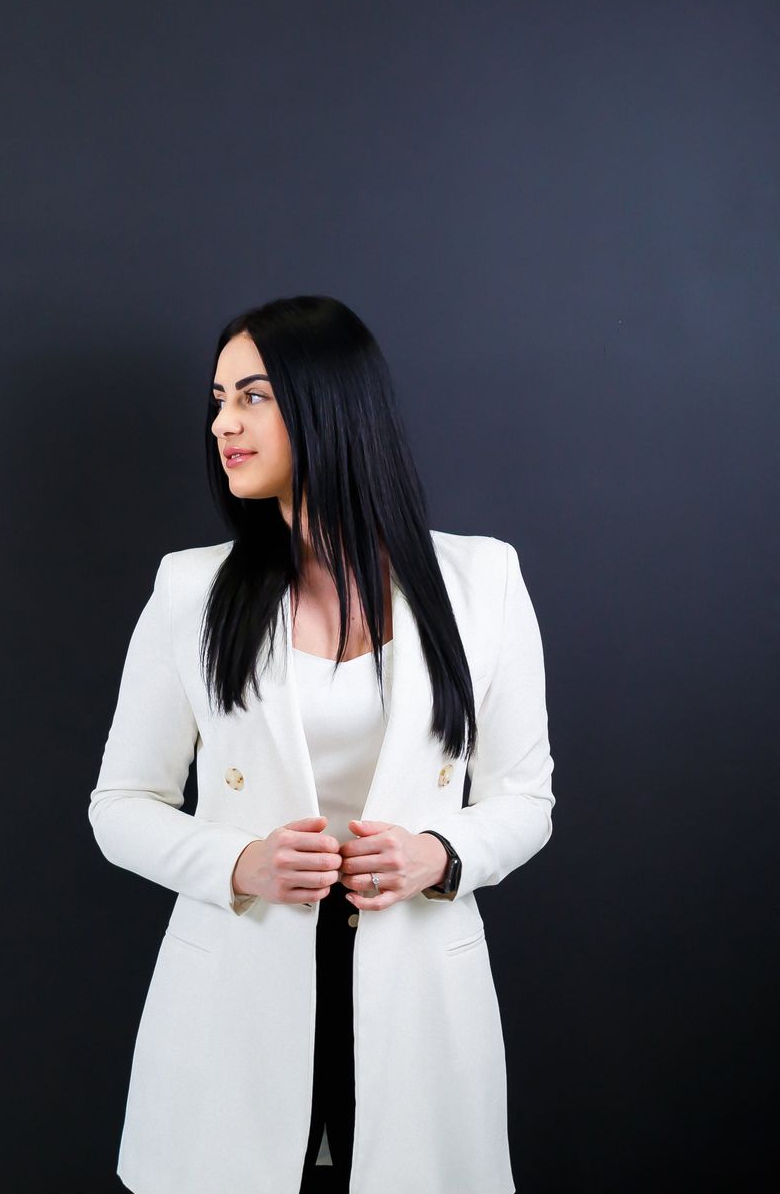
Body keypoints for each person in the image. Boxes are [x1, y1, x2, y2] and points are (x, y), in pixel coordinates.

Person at [89, 296, 554, 1194]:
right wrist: (238, 862)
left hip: (418, 1006)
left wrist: (440, 854)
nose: (223, 422)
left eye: (252, 395)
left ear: (329, 402)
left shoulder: (481, 580)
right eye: (217, 398)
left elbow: (526, 798)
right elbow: (120, 805)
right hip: (236, 1006)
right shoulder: (191, 591)